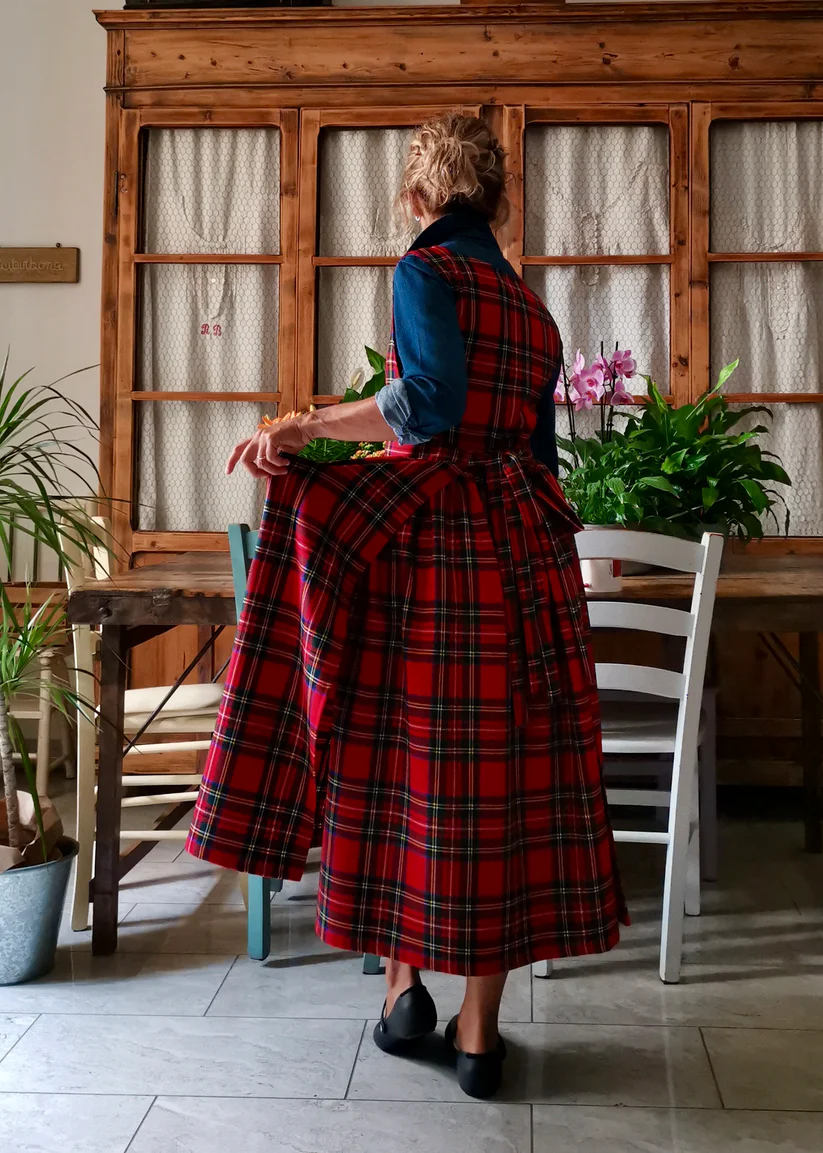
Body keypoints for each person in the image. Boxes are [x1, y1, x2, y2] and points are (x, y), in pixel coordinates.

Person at [187, 112, 626, 1100]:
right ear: (499, 202)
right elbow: (525, 462)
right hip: (528, 566)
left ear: (417, 199)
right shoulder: (531, 309)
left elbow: (421, 410)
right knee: (500, 789)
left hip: (437, 576)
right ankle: (478, 1037)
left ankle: (401, 996)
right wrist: (321, 443)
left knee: (399, 768)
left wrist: (298, 429)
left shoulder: (424, 272)